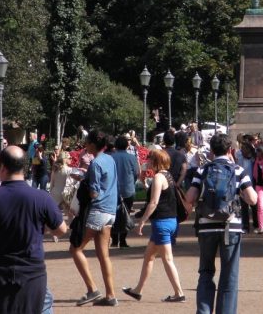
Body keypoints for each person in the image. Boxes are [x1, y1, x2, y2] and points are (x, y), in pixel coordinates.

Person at [0, 146, 67, 313]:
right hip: (33, 275)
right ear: (25, 167)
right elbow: (61, 230)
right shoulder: (41, 197)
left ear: (2, 168)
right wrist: (40, 226)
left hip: (0, 276)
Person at [186, 133, 258, 314]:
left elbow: (189, 198)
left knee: (205, 271)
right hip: (230, 226)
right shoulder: (238, 170)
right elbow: (253, 199)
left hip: (205, 225)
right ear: (229, 150)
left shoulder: (202, 170)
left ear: (211, 150)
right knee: (229, 275)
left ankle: (203, 310)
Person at [122, 149, 186, 303]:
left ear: (156, 161)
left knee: (167, 259)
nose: (148, 162)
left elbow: (154, 202)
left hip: (161, 223)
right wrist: (144, 183)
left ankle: (179, 293)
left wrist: (142, 221)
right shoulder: (168, 176)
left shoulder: (158, 177)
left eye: (150, 159)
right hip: (170, 221)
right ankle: (138, 290)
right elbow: (159, 196)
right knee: (149, 257)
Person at [70, 130, 119, 307]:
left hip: (98, 210)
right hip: (110, 211)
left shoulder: (96, 163)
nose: (85, 145)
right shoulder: (109, 159)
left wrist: (83, 181)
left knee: (75, 248)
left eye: (87, 142)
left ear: (92, 144)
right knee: (103, 254)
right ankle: (111, 295)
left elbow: (94, 192)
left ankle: (92, 289)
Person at [111, 135, 140, 248]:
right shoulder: (132, 158)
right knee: (126, 214)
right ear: (127, 145)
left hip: (114, 190)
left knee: (114, 214)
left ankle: (114, 239)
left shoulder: (112, 157)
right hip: (128, 189)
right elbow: (136, 173)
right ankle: (123, 240)